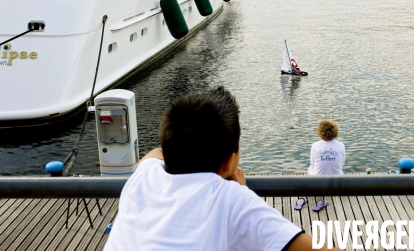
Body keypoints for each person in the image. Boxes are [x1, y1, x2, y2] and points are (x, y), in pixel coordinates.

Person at [104, 86, 336, 251]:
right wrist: (241, 193)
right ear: (229, 162)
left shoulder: (145, 175)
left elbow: (155, 154)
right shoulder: (232, 199)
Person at [294, 120, 345, 212]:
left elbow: (313, 164)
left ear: (320, 132)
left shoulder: (315, 145)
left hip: (318, 178)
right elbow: (342, 164)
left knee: (310, 167)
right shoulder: (341, 145)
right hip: (337, 179)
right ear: (335, 131)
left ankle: (310, 191)